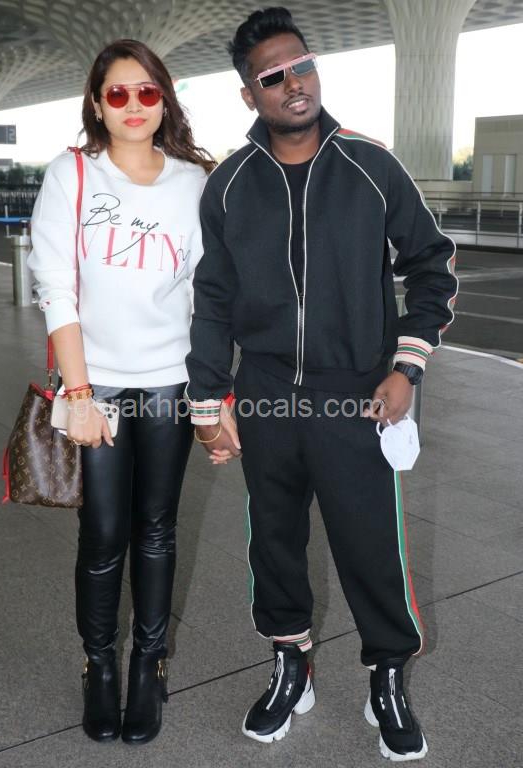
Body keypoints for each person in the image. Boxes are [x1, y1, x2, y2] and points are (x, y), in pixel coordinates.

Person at [186, 7, 457, 762]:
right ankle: (290, 666)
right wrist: (208, 401)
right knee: (274, 541)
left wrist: (406, 366)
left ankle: (387, 676)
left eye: (300, 65)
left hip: (357, 394)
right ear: (250, 94)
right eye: (272, 76)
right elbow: (212, 299)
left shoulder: (371, 165)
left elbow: (432, 266)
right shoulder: (230, 186)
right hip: (266, 393)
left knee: (370, 543)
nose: (293, 83)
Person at [28, 39, 214, 745]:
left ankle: (148, 665)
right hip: (97, 382)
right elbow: (56, 287)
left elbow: (206, 294)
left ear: (164, 99)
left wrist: (213, 397)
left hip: (170, 380)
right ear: (97, 104)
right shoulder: (72, 173)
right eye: (118, 93)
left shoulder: (194, 182)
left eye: (147, 91)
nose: (134, 105)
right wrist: (77, 393)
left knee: (158, 529)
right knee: (104, 532)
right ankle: (99, 665)